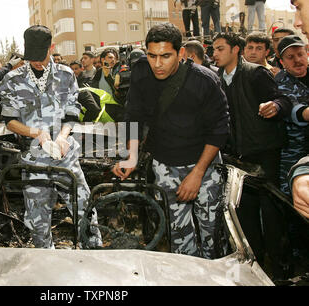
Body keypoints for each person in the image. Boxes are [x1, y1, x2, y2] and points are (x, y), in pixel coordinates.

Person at [113, 23, 230, 259]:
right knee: (179, 238)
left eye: (166, 56)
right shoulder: (141, 72)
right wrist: (132, 157)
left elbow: (219, 130)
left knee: (212, 237)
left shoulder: (204, 80)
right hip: (165, 164)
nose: (157, 64)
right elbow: (133, 115)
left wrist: (197, 175)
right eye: (152, 55)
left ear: (181, 53)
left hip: (203, 166)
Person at [0, 25, 102, 249]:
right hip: (34, 162)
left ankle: (95, 254)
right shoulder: (12, 80)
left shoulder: (65, 75)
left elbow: (73, 113)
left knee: (85, 210)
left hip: (66, 158)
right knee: (38, 222)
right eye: (32, 57)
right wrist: (37, 134)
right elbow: (10, 120)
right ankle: (47, 264)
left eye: (41, 55)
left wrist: (63, 137)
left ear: (51, 47)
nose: (37, 62)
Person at [213, 32, 293, 279]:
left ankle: (279, 269)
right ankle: (255, 268)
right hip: (237, 159)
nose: (214, 54)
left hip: (263, 153)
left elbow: (284, 100)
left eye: (220, 49)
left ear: (235, 50)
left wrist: (275, 107)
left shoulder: (255, 74)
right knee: (244, 214)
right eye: (213, 49)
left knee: (271, 213)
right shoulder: (215, 79)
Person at [274, 35, 309, 195]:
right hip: (294, 154)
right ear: (282, 62)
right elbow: (295, 112)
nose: (297, 60)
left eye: (300, 54)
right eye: (290, 57)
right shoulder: (280, 83)